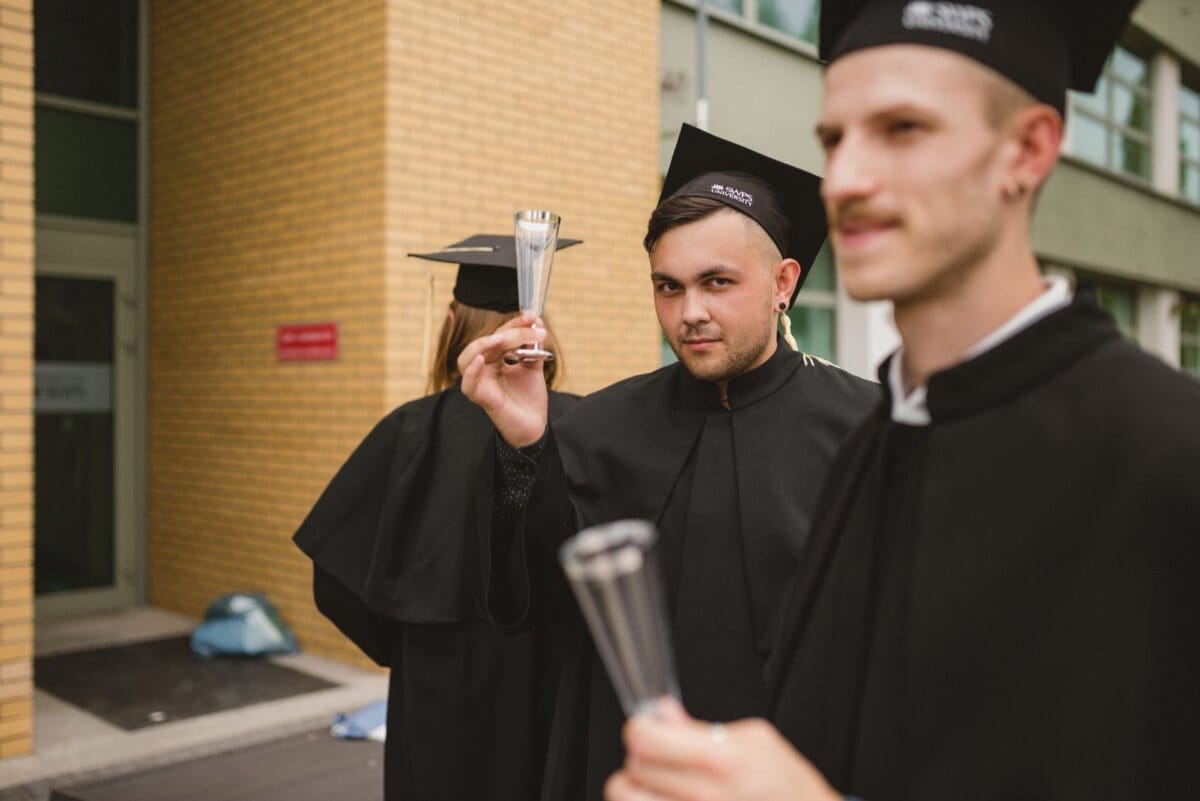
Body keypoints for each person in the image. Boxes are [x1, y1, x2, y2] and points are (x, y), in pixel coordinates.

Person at [607, 1, 1200, 800]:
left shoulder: (1168, 458)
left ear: (1027, 149)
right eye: (835, 138)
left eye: (903, 129)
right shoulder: (878, 439)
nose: (845, 178)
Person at [457, 125, 880, 801]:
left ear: (783, 281)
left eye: (717, 282)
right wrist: (526, 448)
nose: (690, 313)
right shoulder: (599, 425)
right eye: (668, 287)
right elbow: (534, 605)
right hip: (632, 771)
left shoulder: (868, 429)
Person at [292, 233, 580, 800]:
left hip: (435, 694)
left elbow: (335, 580)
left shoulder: (409, 431)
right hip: (546, 690)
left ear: (454, 319)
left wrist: (407, 639)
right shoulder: (586, 426)